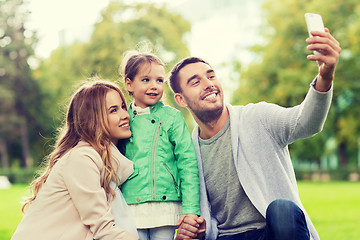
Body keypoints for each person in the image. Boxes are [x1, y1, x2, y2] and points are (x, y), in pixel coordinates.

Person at [170, 28, 341, 240]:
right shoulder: (188, 152)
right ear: (181, 100)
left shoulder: (258, 117)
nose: (209, 84)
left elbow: (306, 122)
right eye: (195, 82)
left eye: (211, 76)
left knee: (282, 209)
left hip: (272, 231)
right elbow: (197, 214)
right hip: (226, 236)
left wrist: (325, 76)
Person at [11, 79, 140, 240]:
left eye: (122, 107)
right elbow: (103, 229)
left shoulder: (106, 161)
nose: (125, 115)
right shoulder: (81, 159)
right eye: (113, 110)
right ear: (93, 119)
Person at [119, 51, 201, 240]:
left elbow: (188, 164)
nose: (154, 86)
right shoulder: (123, 119)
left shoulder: (172, 118)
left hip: (166, 206)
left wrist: (191, 210)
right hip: (130, 204)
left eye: (159, 80)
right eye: (146, 80)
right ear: (129, 84)